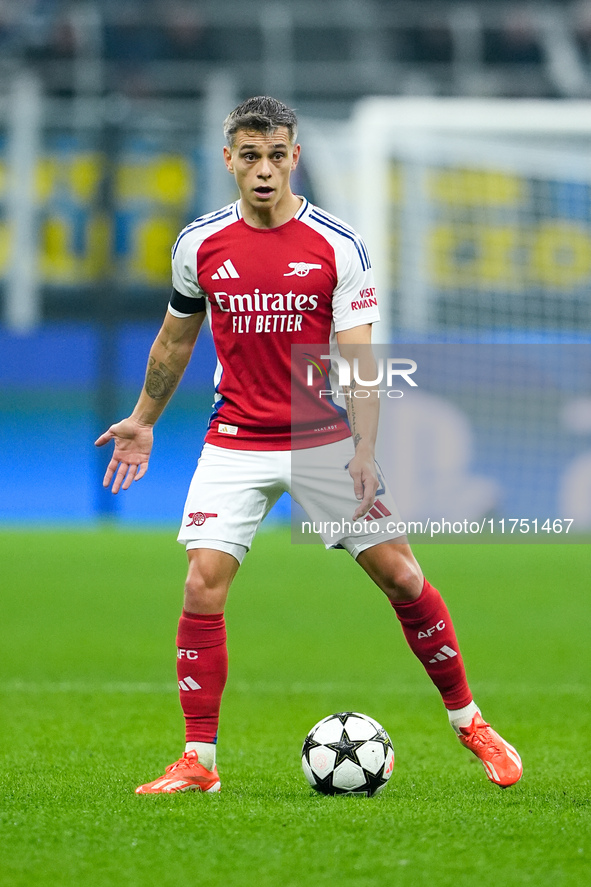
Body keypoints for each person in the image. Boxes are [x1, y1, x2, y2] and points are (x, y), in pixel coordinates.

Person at [96, 96, 522, 794]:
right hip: (232, 438)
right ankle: (198, 760)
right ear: (229, 159)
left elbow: (358, 357)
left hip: (320, 438)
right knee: (201, 583)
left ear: (294, 158)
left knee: (403, 578)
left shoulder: (336, 243)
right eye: (249, 155)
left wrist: (363, 448)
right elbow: (175, 339)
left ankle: (469, 721)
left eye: (275, 155)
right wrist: (143, 418)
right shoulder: (199, 244)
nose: (263, 169)